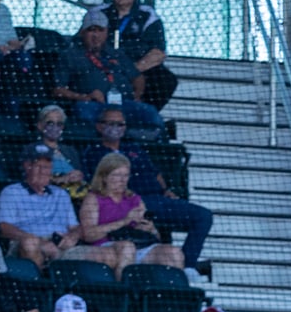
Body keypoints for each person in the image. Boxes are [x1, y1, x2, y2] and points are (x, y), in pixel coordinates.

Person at [80, 110, 217, 274]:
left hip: (158, 199)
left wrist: (167, 190)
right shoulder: (93, 152)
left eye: (120, 124)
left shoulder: (134, 148)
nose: (116, 128)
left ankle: (187, 266)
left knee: (203, 216)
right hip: (130, 200)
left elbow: (155, 173)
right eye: (111, 123)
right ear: (99, 126)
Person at [80, 152, 188, 276]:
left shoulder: (134, 198)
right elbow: (88, 235)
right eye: (117, 175)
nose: (122, 180)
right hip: (107, 245)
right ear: (104, 177)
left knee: (174, 252)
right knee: (127, 248)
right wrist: (124, 221)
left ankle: (175, 292)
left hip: (139, 245)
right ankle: (124, 291)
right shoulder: (94, 198)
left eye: (125, 175)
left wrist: (151, 229)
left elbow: (156, 236)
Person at [57, 11, 163, 129]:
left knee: (149, 112)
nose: (96, 35)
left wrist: (137, 96)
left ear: (107, 32)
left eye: (100, 30)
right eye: (91, 30)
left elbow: (137, 77)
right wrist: (83, 97)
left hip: (122, 104)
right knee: (84, 110)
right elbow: (58, 90)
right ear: (83, 32)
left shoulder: (116, 54)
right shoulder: (70, 55)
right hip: (94, 105)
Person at [101, 0, 178, 111]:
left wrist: (130, 71)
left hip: (137, 69)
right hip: (102, 68)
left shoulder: (148, 15)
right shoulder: (98, 13)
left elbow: (158, 53)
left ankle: (144, 113)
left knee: (165, 79)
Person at [0, 144, 84, 267]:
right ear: (27, 166)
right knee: (30, 244)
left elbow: (75, 227)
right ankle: (41, 284)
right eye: (38, 166)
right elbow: (4, 228)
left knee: (105, 254)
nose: (43, 171)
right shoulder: (12, 192)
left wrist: (73, 236)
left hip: (61, 245)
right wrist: (40, 242)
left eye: (47, 167)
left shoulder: (61, 194)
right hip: (26, 242)